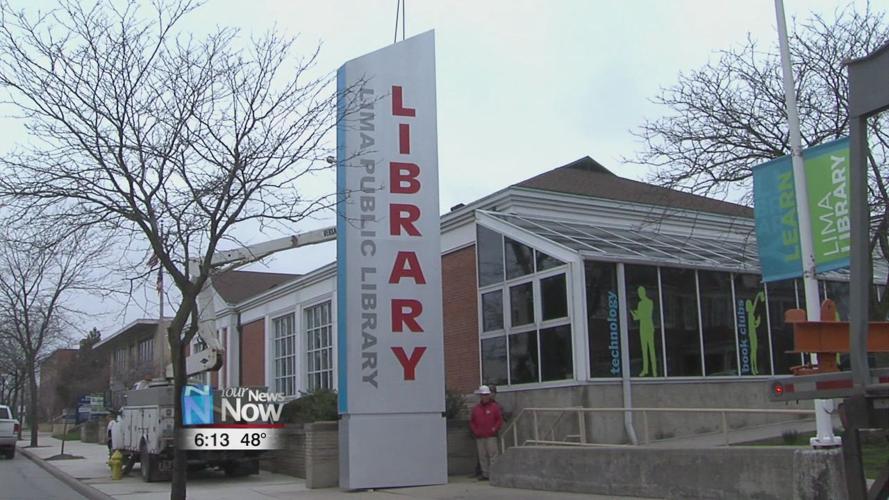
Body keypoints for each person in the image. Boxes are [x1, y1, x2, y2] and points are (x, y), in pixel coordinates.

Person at [469, 385, 503, 481]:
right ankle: (485, 474)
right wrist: (475, 431)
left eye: (487, 395)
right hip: (480, 436)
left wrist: (494, 429)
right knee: (482, 456)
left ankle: (494, 473)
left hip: (491, 436)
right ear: (480, 396)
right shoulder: (476, 408)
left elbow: (499, 420)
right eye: (483, 395)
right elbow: (472, 421)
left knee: (493, 455)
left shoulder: (494, 407)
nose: (485, 397)